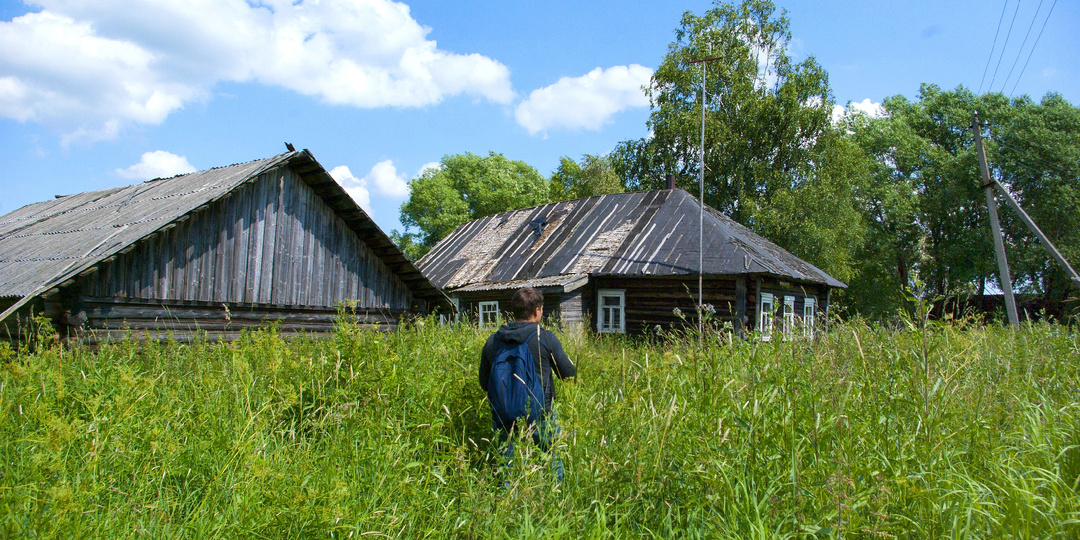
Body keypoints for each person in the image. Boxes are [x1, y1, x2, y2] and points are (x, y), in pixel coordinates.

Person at [479, 287, 575, 482]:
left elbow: (484, 382)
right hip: (541, 413)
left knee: (507, 467)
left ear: (513, 311)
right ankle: (554, 500)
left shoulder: (493, 341)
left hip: (504, 416)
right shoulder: (545, 338)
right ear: (537, 310)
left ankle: (507, 503)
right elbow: (568, 374)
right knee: (552, 456)